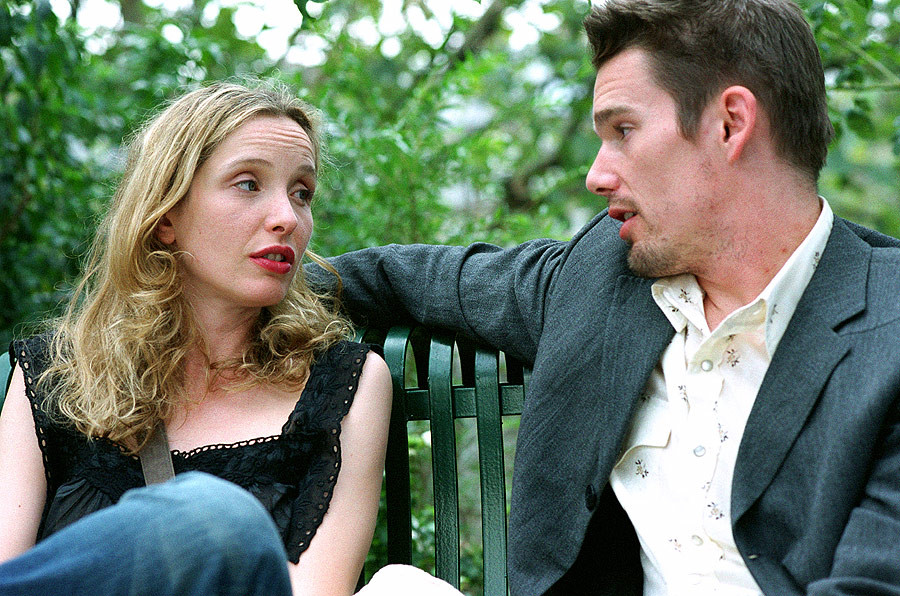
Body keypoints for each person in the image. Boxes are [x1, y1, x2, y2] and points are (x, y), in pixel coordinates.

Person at [307, 1, 900, 595]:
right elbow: (425, 277)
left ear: (729, 124)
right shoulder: (605, 277)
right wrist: (262, 290)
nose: (596, 176)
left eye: (623, 131)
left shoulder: (888, 326)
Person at [0, 81, 395, 596]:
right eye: (248, 184)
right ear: (166, 216)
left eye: (302, 193)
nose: (287, 218)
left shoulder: (341, 383)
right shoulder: (56, 375)